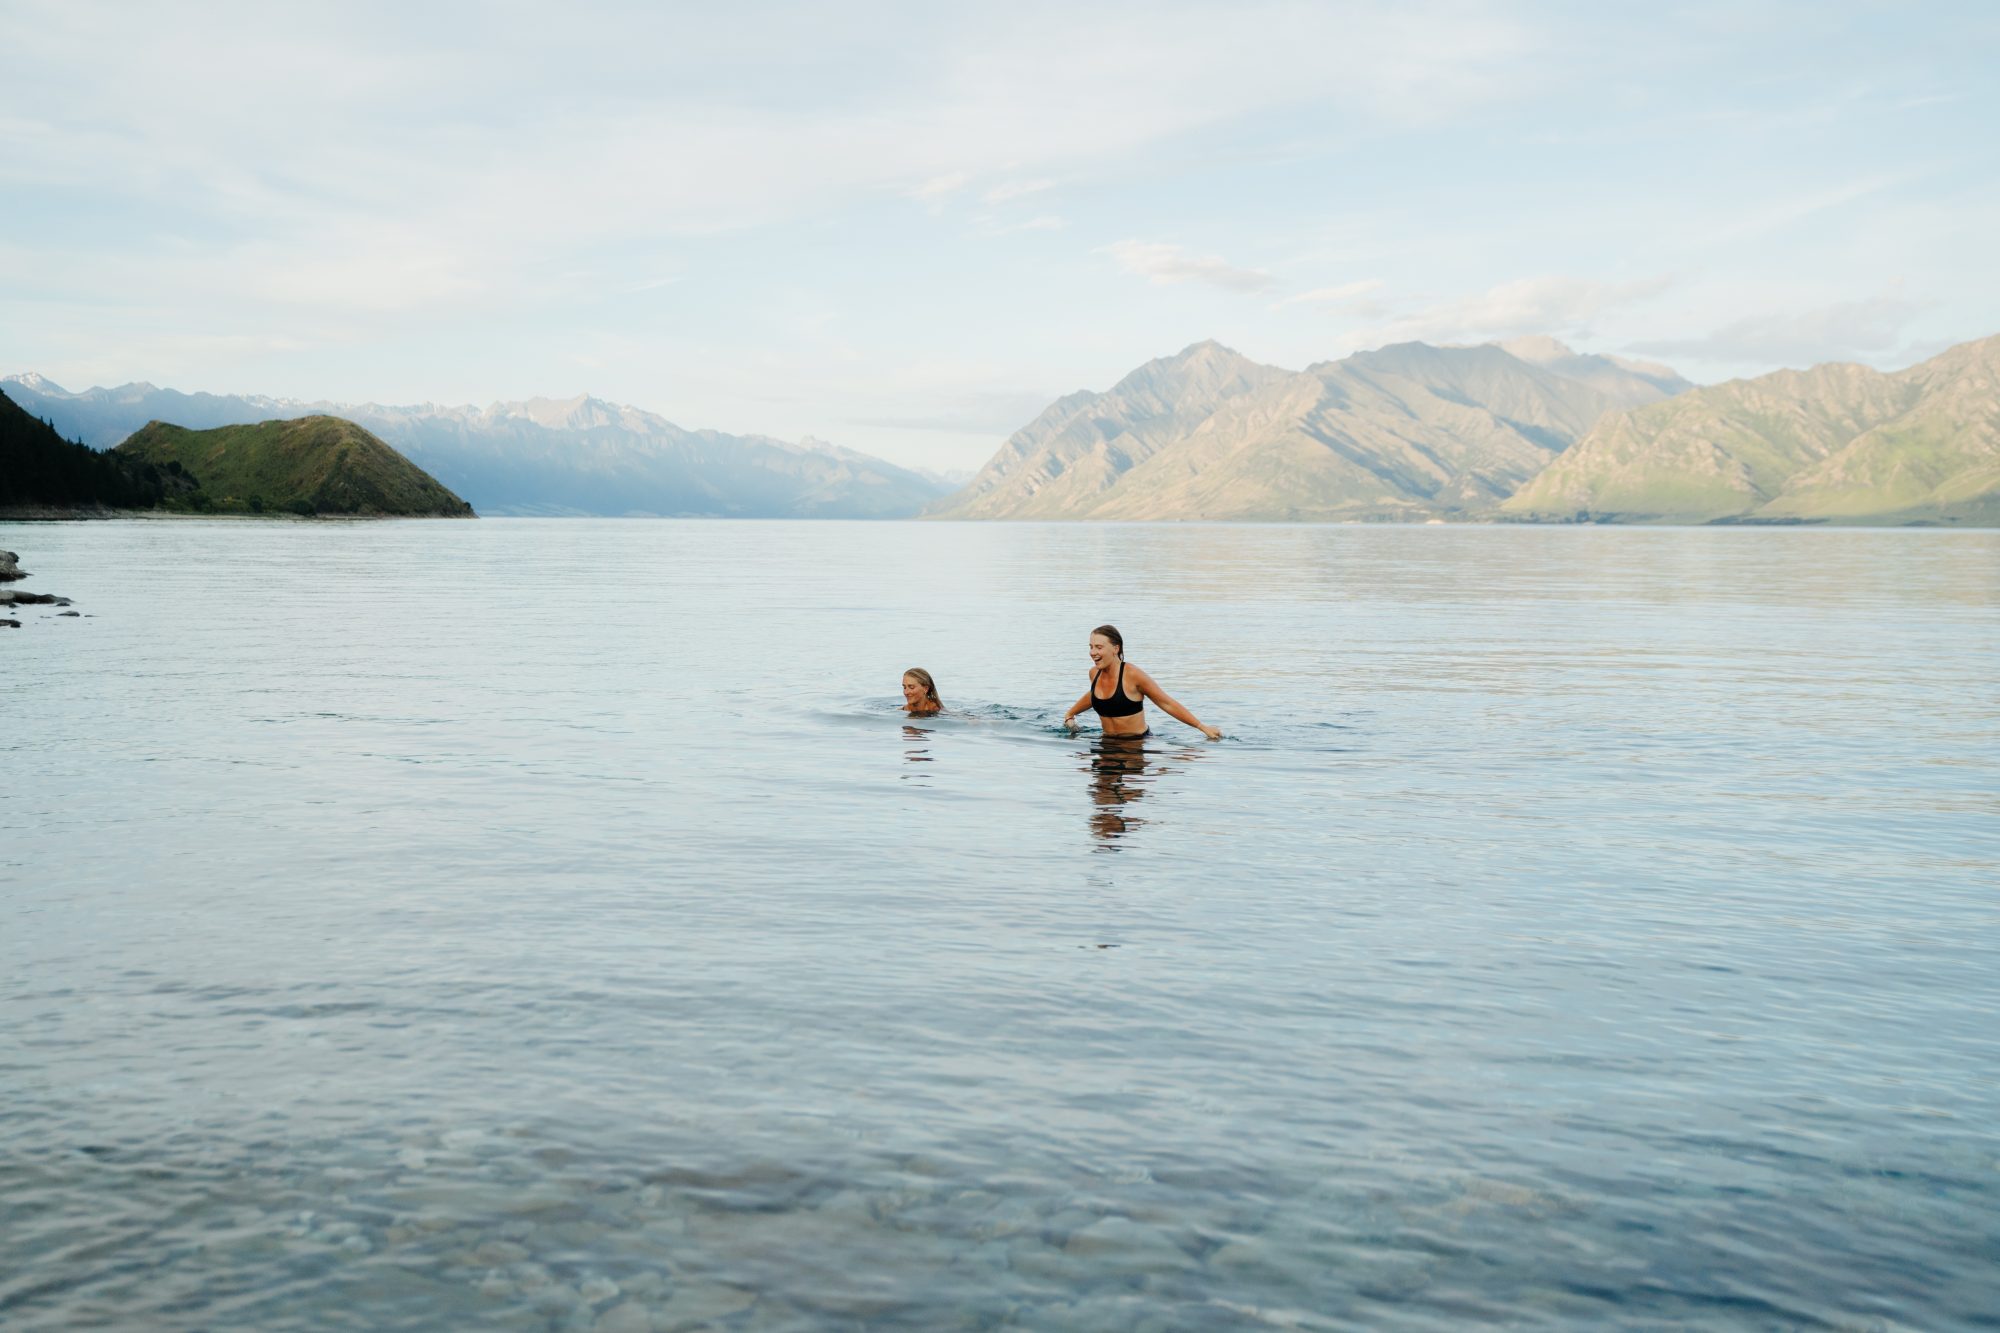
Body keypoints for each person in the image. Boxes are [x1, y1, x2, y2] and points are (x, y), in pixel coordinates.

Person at [1062, 624, 1220, 740]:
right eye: (1090, 647)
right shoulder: (1094, 674)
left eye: (1099, 647)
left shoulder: (1133, 675)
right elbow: (1095, 694)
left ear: (1116, 648)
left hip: (1136, 745)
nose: (1093, 652)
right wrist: (1071, 713)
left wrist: (1202, 727)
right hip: (1106, 743)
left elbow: (1166, 703)